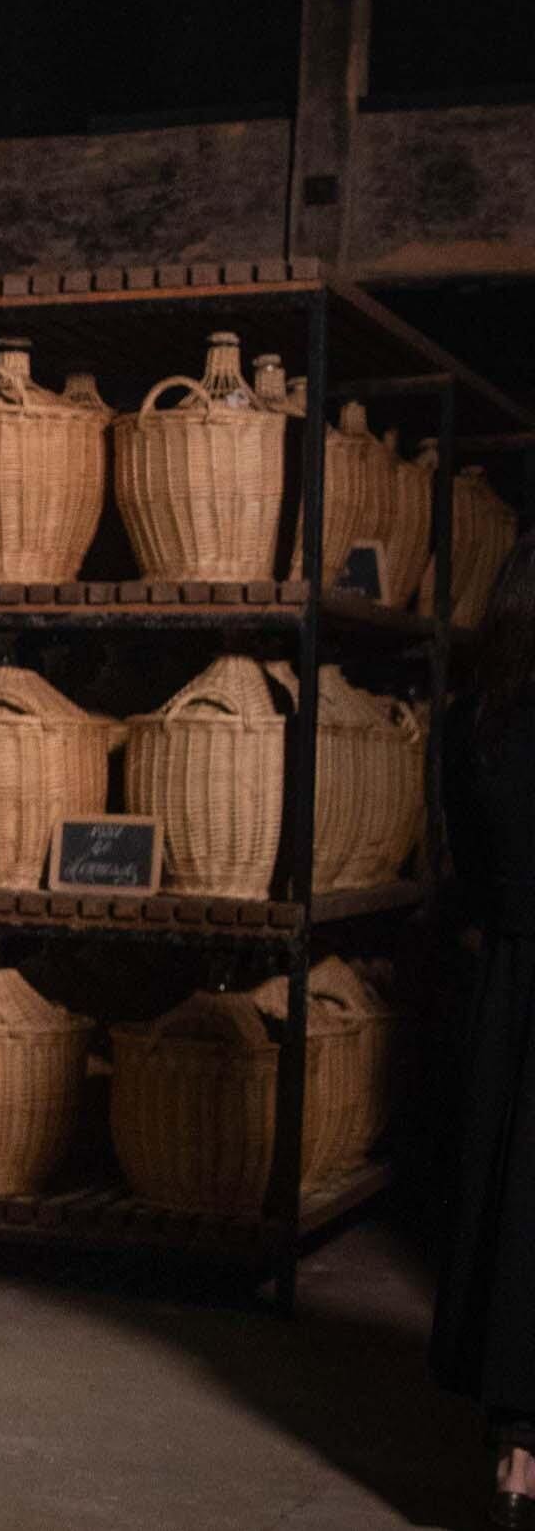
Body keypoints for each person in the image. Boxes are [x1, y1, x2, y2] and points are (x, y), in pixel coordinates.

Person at [432, 530, 535, 1530]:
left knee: (512, 1212)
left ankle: (516, 1460)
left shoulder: (473, 722)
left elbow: (463, 867)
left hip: (508, 980)